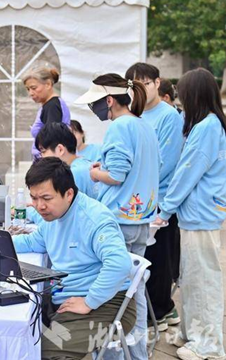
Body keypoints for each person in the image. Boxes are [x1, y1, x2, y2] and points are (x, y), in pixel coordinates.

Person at [75, 73, 160, 359]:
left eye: (95, 103)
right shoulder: (142, 124)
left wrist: (94, 172)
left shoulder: (119, 127)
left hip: (119, 221)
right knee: (133, 293)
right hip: (141, 221)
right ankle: (137, 354)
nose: (93, 109)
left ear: (109, 100)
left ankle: (114, 355)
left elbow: (117, 175)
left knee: (112, 296)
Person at [13, 157, 134, 358]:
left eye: (46, 198)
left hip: (106, 304)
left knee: (41, 350)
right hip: (67, 299)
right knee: (20, 334)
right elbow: (33, 242)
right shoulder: (53, 217)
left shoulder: (94, 219)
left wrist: (89, 301)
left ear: (68, 194)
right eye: (34, 198)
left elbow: (120, 264)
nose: (39, 206)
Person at [155, 68, 226, 360]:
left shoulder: (207, 127)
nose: (181, 100)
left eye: (184, 95)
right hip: (196, 215)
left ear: (195, 95)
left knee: (203, 281)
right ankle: (191, 333)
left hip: (201, 216)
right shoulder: (204, 124)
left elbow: (187, 172)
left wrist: (165, 209)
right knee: (191, 278)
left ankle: (209, 345)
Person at [126, 62, 184, 332]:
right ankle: (163, 309)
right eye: (134, 86)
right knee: (146, 258)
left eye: (145, 84)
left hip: (160, 199)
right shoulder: (134, 115)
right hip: (137, 200)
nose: (140, 89)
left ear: (157, 83)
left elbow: (167, 163)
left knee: (160, 259)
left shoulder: (169, 116)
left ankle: (159, 313)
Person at [35, 122, 97, 198]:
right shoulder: (84, 164)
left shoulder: (73, 173)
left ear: (60, 149)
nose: (42, 157)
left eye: (43, 151)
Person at [22, 65, 71, 160]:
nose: (30, 93)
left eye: (34, 88)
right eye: (28, 89)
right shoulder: (50, 105)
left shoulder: (52, 106)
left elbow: (52, 139)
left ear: (48, 84)